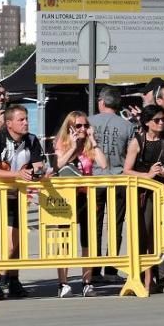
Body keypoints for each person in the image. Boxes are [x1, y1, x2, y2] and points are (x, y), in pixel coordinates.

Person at [0, 103, 45, 299]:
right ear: (9, 123)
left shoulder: (32, 140)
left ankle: (12, 278)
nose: (26, 123)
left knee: (13, 241)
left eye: (27, 119)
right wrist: (18, 174)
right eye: (21, 120)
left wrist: (39, 171)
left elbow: (38, 165)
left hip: (15, 195)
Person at [123, 105, 164, 294]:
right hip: (144, 192)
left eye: (163, 120)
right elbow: (126, 170)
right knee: (145, 233)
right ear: (147, 122)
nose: (161, 123)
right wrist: (147, 175)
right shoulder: (137, 141)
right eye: (157, 120)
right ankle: (145, 278)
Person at [53, 112, 107, 298]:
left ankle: (87, 281)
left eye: (85, 125)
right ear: (70, 127)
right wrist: (73, 147)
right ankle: (63, 283)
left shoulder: (89, 144)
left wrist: (93, 140)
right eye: (78, 126)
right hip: (66, 197)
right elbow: (58, 165)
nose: (83, 129)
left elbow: (103, 164)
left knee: (88, 240)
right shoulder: (62, 142)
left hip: (86, 195)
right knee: (65, 240)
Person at [89, 86, 135, 284]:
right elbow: (132, 152)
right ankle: (111, 268)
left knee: (94, 225)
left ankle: (93, 268)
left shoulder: (89, 122)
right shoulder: (127, 126)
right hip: (118, 178)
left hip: (93, 179)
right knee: (116, 224)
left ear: (102, 102)